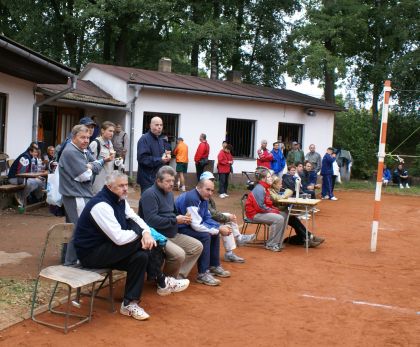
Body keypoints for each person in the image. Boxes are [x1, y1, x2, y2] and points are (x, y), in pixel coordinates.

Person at [74, 171, 189, 321]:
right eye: (121, 186)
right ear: (109, 187)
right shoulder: (101, 205)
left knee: (140, 256)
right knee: (141, 243)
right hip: (91, 254)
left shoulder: (120, 199)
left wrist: (146, 233)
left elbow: (136, 218)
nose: (125, 189)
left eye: (126, 185)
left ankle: (129, 303)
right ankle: (162, 281)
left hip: (109, 249)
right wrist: (142, 235)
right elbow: (119, 238)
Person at [139, 166, 203, 279]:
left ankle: (177, 277)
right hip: (158, 236)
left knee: (197, 246)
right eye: (168, 181)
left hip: (172, 233)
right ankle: (165, 280)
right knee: (179, 254)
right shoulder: (149, 194)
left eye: (173, 180)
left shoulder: (169, 193)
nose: (171, 184)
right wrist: (175, 220)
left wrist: (183, 218)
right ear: (158, 181)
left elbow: (173, 213)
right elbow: (151, 221)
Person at [59, 124, 110, 265]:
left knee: (73, 228)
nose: (86, 140)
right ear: (74, 137)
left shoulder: (83, 150)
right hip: (76, 195)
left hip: (80, 194)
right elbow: (85, 176)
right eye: (82, 137)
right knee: (79, 229)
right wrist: (91, 167)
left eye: (88, 137)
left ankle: (67, 260)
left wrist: (91, 166)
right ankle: (71, 262)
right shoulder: (71, 151)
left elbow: (97, 165)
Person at [175, 178, 232, 286]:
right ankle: (202, 274)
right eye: (208, 190)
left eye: (212, 191)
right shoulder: (192, 198)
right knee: (206, 235)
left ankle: (214, 265)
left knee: (213, 232)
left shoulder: (203, 198)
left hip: (190, 226)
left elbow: (206, 218)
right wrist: (218, 229)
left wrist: (218, 227)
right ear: (199, 187)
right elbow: (196, 225)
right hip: (180, 228)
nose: (210, 193)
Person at [201, 171, 255, 263]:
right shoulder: (201, 194)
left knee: (229, 217)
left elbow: (212, 212)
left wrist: (226, 217)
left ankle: (238, 239)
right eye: (210, 180)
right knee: (227, 220)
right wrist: (226, 218)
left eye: (213, 180)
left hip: (207, 219)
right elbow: (211, 213)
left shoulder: (206, 193)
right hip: (203, 222)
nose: (212, 182)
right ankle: (235, 245)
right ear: (202, 182)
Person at [269, 176, 324, 247]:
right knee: (293, 220)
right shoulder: (270, 191)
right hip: (274, 213)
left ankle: (308, 238)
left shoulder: (276, 191)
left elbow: (280, 201)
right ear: (274, 185)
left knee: (294, 220)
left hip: (278, 211)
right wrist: (288, 192)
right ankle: (308, 238)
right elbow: (277, 199)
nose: (281, 185)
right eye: (279, 184)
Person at [245, 167, 285, 252]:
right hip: (254, 214)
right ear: (263, 179)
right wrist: (273, 211)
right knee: (279, 218)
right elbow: (260, 207)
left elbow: (266, 204)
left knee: (284, 214)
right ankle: (271, 244)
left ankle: (278, 242)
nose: (272, 178)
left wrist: (274, 209)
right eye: (269, 177)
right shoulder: (260, 189)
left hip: (259, 211)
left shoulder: (265, 187)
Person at [137, 117, 171, 193]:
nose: (159, 127)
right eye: (156, 125)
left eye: (161, 125)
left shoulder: (160, 140)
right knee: (147, 202)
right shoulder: (144, 139)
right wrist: (160, 159)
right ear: (150, 125)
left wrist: (165, 156)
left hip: (158, 177)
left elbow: (159, 157)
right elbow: (143, 159)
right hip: (147, 179)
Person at [90, 121, 116, 194]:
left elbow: (110, 160)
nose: (112, 133)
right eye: (110, 131)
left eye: (113, 131)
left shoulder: (110, 143)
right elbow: (90, 163)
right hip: (97, 181)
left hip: (108, 180)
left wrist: (116, 160)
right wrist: (104, 160)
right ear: (102, 130)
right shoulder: (95, 143)